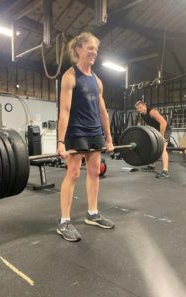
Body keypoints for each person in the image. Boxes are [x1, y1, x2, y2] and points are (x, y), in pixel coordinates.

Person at [56, 32, 115, 242]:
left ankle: (92, 213)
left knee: (94, 172)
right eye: (90, 48)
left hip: (95, 132)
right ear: (79, 49)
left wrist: (108, 138)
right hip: (77, 132)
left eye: (96, 50)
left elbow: (103, 112)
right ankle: (64, 221)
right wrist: (61, 141)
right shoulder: (70, 76)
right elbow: (64, 110)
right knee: (73, 174)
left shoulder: (97, 81)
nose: (94, 53)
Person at [135, 100, 171, 179]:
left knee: (162, 149)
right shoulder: (142, 114)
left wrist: (161, 136)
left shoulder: (152, 112)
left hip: (164, 130)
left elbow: (164, 123)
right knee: (152, 147)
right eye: (137, 108)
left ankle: (165, 171)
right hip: (157, 131)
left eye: (140, 107)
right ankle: (151, 166)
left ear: (145, 106)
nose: (139, 109)